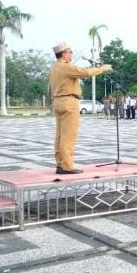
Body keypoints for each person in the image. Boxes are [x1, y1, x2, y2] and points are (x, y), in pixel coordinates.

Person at [49, 42, 111, 174]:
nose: (71, 54)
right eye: (70, 52)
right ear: (64, 53)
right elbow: (85, 72)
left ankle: (60, 163)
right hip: (69, 101)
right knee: (69, 136)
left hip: (58, 101)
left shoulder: (54, 67)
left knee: (60, 136)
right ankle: (67, 165)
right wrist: (102, 68)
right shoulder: (65, 66)